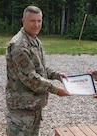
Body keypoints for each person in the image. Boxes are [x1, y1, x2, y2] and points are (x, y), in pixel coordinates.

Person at [5, 5, 70, 136]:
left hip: (33, 105)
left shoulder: (35, 41)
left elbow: (39, 67)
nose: (36, 24)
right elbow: (30, 77)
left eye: (39, 21)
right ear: (23, 21)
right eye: (32, 21)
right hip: (22, 108)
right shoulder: (19, 45)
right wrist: (56, 90)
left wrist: (57, 75)